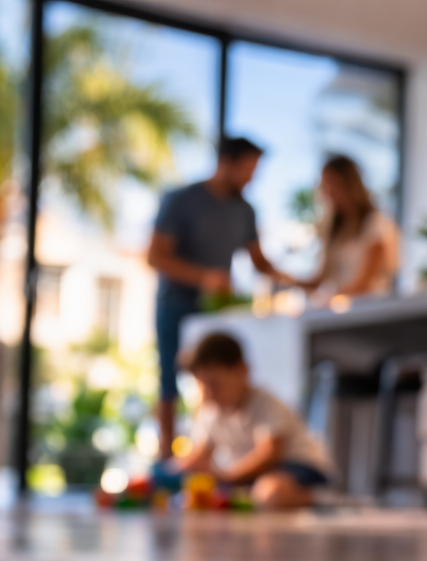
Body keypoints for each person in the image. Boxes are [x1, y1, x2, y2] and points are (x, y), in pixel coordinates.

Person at [147, 137, 292, 458]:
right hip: (177, 304)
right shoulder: (182, 200)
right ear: (226, 163)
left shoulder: (245, 210)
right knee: (170, 381)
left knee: (219, 379)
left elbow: (261, 263)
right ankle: (167, 457)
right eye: (248, 170)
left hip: (218, 309)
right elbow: (155, 257)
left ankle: (209, 456)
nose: (251, 178)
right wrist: (205, 277)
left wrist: (302, 282)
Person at [169, 332, 334, 509]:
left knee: (270, 493)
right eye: (202, 387)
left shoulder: (264, 403)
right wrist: (168, 472)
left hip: (298, 466)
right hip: (253, 476)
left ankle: (319, 497)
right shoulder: (210, 411)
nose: (208, 395)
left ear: (242, 371)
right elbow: (200, 454)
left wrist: (227, 477)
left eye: (215, 385)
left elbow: (269, 454)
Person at [294, 154, 400, 300]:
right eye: (324, 185)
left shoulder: (377, 224)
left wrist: (328, 300)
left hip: (370, 309)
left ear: (349, 183)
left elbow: (365, 286)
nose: (327, 192)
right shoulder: (336, 228)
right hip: (344, 308)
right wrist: (286, 280)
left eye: (331, 184)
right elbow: (320, 279)